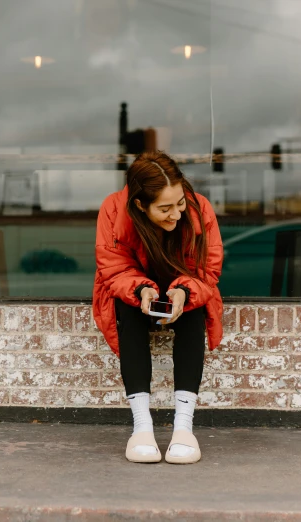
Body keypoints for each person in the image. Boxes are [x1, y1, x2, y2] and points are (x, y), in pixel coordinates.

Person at [93, 150, 223, 464]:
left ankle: (184, 427)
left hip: (185, 290)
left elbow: (208, 269)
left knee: (194, 310)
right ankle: (142, 427)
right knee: (128, 310)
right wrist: (141, 290)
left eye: (179, 204)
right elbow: (113, 268)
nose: (176, 214)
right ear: (140, 204)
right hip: (135, 292)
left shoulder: (200, 207)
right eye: (164, 208)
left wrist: (182, 291)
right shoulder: (114, 208)